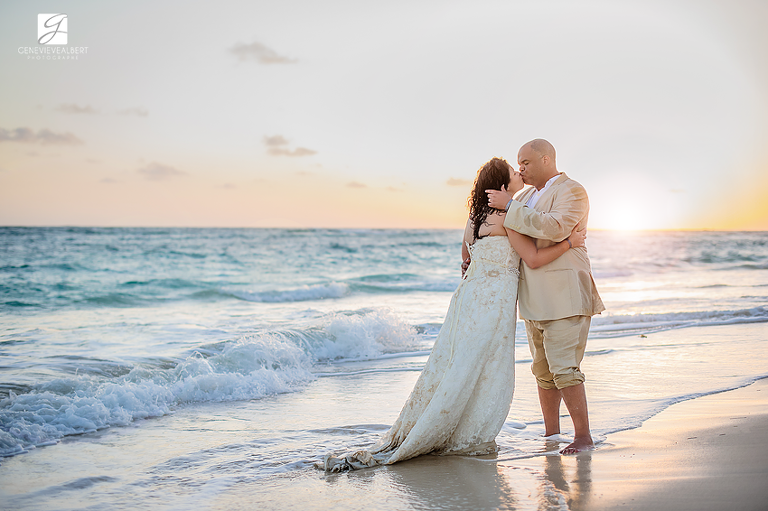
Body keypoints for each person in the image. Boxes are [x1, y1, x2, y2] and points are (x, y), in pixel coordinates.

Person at [321, 157, 586, 472]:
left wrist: (476, 268)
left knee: (456, 363)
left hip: (468, 301)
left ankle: (438, 422)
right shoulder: (507, 218)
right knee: (481, 367)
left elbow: (466, 258)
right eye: (514, 172)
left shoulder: (474, 220)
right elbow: (533, 258)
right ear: (502, 186)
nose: (519, 174)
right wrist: (570, 242)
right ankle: (462, 430)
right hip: (493, 305)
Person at [486, 139, 605, 454]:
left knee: (565, 367)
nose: (520, 169)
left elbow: (554, 227)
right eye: (518, 163)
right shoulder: (524, 196)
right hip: (533, 297)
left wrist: (510, 206)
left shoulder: (572, 191)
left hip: (565, 294)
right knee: (542, 370)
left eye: (525, 162)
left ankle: (583, 437)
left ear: (546, 159)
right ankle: (552, 435)